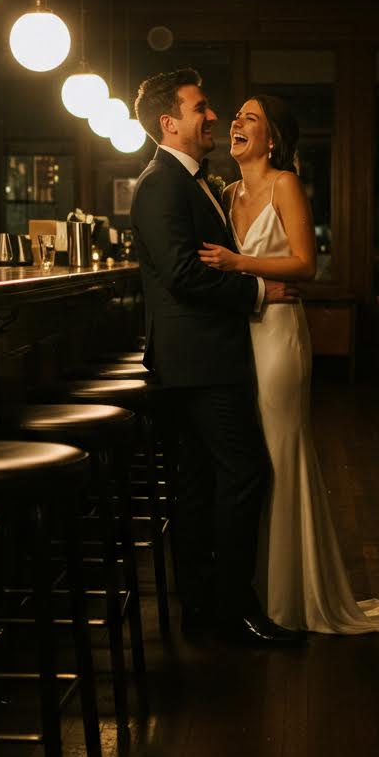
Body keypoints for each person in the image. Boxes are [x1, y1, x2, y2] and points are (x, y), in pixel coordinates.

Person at [198, 94, 379, 635]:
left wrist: (238, 262)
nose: (236, 122)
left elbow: (306, 264)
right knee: (248, 457)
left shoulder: (285, 184)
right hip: (240, 334)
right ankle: (252, 587)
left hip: (278, 334)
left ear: (272, 138)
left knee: (280, 451)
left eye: (251, 118)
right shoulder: (226, 193)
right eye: (237, 116)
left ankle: (290, 595)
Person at [131, 69, 304, 646]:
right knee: (243, 471)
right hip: (199, 359)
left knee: (201, 481)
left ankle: (203, 605)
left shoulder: (198, 181)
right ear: (169, 122)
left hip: (205, 354)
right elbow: (184, 275)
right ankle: (234, 606)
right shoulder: (161, 184)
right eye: (200, 108)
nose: (213, 116)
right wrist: (259, 291)